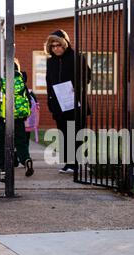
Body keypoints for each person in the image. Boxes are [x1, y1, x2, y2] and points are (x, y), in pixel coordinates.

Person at [45, 29, 91, 174]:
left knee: (75, 133)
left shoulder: (77, 58)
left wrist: (75, 87)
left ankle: (76, 163)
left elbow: (87, 76)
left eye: (58, 45)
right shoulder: (50, 62)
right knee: (64, 134)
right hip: (59, 104)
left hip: (75, 103)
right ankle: (69, 163)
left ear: (65, 44)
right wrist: (50, 100)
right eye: (53, 46)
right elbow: (49, 82)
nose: (56, 48)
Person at [0, 59, 34, 178]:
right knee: (21, 141)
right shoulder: (22, 81)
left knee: (2, 142)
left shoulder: (2, 81)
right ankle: (26, 159)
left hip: (4, 117)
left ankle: (3, 167)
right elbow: (28, 98)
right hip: (18, 117)